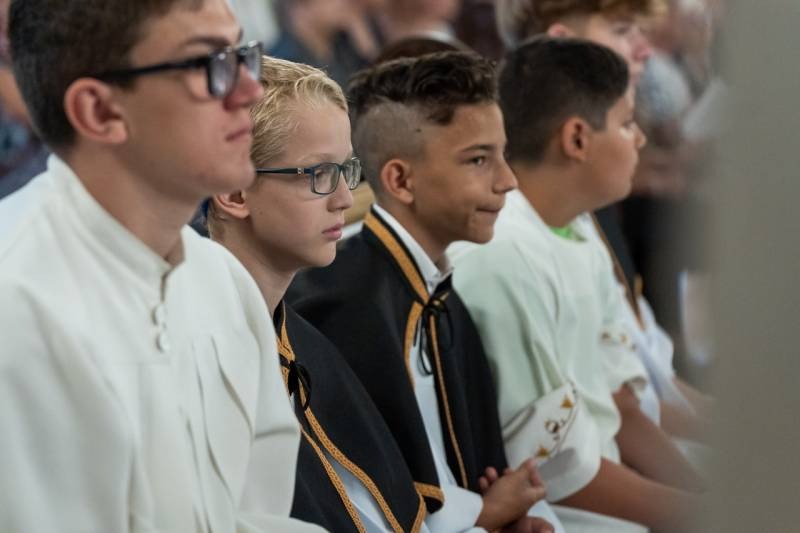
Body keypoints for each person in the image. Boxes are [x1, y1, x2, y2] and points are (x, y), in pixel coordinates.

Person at [0, 1, 318, 531]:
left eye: (242, 56)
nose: (251, 91)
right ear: (100, 112)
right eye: (208, 64)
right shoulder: (17, 306)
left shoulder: (224, 281)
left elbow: (254, 516)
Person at [289, 51, 559, 533]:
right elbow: (376, 506)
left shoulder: (437, 292)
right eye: (479, 160)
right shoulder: (348, 308)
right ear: (400, 180)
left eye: (503, 154)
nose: (508, 181)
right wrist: (486, 516)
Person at [450, 36, 703, 532]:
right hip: (563, 514)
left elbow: (622, 403)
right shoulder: (502, 256)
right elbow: (556, 472)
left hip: (611, 484)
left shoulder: (576, 224)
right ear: (577, 139)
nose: (640, 139)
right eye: (627, 123)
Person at [207, 55, 429, 533]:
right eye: (319, 174)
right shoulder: (206, 353)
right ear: (235, 191)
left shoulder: (299, 340)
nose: (345, 199)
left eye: (346, 169)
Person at [495, 0, 712, 438]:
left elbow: (650, 379)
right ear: (562, 42)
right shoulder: (520, 230)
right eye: (622, 29)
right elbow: (610, 415)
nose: (644, 49)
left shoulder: (583, 211)